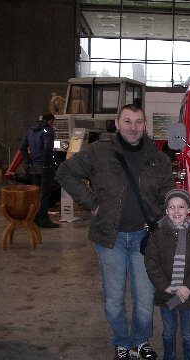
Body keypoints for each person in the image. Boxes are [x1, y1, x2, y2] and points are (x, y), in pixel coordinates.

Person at [56, 104, 174, 360]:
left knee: (144, 299)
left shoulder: (159, 159)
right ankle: (122, 344)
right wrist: (91, 201)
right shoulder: (99, 152)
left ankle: (140, 342)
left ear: (145, 125)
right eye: (128, 121)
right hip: (111, 238)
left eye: (138, 122)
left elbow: (168, 195)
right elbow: (65, 172)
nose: (133, 127)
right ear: (117, 124)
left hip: (145, 239)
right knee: (113, 298)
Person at [145, 188, 190, 360]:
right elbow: (152, 263)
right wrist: (164, 286)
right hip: (166, 294)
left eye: (181, 207)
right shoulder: (157, 236)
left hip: (188, 295)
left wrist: (188, 286)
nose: (176, 211)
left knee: (188, 334)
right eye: (172, 207)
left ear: (188, 209)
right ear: (166, 210)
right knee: (168, 332)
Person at [19, 112, 59, 228]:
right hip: (46, 167)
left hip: (34, 167)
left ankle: (36, 218)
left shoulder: (30, 130)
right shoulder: (48, 131)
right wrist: (46, 164)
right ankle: (44, 219)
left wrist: (29, 162)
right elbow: (48, 148)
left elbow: (22, 147)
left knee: (36, 193)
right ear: (51, 121)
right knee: (45, 194)